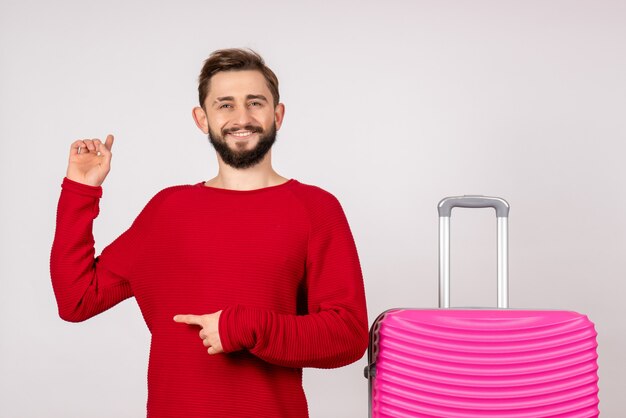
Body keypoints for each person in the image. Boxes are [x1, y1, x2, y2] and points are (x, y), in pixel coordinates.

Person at [50, 48, 369, 418]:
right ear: (202, 119)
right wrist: (80, 189)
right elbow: (77, 300)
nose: (242, 117)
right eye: (225, 105)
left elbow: (347, 336)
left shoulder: (316, 209)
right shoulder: (167, 211)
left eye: (255, 103)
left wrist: (245, 327)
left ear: (277, 115)